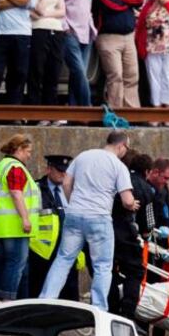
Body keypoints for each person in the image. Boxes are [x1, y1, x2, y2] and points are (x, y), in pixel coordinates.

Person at [40, 131, 139, 310]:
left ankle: (46, 299)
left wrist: (73, 203)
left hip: (75, 214)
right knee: (102, 266)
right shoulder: (118, 165)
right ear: (121, 145)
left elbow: (66, 184)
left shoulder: (83, 156)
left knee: (63, 259)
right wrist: (132, 205)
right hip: (99, 218)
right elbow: (127, 199)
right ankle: (99, 308)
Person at [0, 133, 40, 300]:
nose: (29, 156)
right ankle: (7, 300)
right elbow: (16, 193)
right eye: (28, 151)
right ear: (18, 149)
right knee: (15, 264)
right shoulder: (15, 168)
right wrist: (25, 218)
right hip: (14, 226)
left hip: (0, 227)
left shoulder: (0, 166)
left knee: (4, 264)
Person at [109, 151, 156, 319]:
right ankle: (127, 314)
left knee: (108, 271)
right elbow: (148, 223)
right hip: (126, 235)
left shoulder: (118, 179)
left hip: (106, 231)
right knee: (135, 271)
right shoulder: (147, 190)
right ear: (147, 172)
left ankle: (110, 309)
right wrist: (147, 235)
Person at [92, 0, 143, 109]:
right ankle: (116, 111)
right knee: (115, 76)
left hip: (128, 37)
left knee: (132, 76)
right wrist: (127, 1)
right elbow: (111, 4)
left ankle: (132, 112)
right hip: (108, 38)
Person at [28, 154, 80, 301]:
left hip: (68, 248)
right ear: (48, 169)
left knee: (69, 296)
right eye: (59, 170)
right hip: (42, 253)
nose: (63, 174)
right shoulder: (35, 188)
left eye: (66, 171)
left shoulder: (72, 190)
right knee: (40, 291)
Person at [57, 0, 96, 106]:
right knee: (80, 72)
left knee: (77, 75)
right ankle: (88, 108)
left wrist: (92, 28)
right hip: (70, 33)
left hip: (86, 34)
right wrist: (65, 26)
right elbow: (58, 4)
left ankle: (75, 112)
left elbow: (87, 9)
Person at [28, 0, 65, 105]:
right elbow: (37, 8)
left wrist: (46, 14)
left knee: (53, 71)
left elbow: (62, 11)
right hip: (38, 30)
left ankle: (50, 109)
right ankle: (34, 108)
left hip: (56, 30)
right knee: (37, 71)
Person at [147, 157, 169, 233]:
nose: (166, 182)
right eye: (165, 178)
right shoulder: (145, 187)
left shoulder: (164, 189)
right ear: (156, 172)